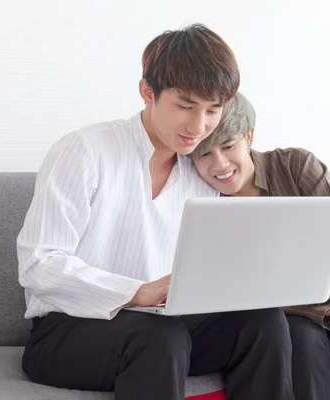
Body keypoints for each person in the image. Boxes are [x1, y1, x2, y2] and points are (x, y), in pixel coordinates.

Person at [17, 25, 295, 400]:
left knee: (264, 323)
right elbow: (38, 263)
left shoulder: (201, 171)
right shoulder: (85, 150)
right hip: (68, 331)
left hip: (166, 327)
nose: (200, 127)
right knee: (160, 338)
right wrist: (137, 292)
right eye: (185, 106)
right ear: (147, 92)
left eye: (213, 110)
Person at [191, 92, 330, 400]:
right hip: (280, 315)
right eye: (203, 155)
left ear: (249, 136)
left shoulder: (295, 165)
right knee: (304, 347)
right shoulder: (199, 205)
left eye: (228, 146)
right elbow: (240, 292)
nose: (220, 164)